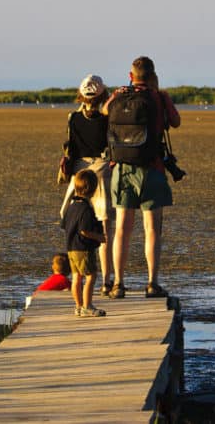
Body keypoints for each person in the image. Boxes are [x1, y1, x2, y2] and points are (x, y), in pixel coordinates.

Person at [103, 56, 181, 299]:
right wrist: (160, 94)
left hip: (122, 168)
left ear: (131, 75)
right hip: (152, 169)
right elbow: (175, 122)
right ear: (153, 75)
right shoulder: (159, 98)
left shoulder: (119, 95)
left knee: (121, 230)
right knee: (152, 230)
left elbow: (105, 111)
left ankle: (118, 284)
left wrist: (119, 94)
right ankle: (151, 283)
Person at [59, 74, 115, 295]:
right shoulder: (107, 119)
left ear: (81, 94)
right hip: (101, 170)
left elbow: (70, 148)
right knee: (103, 228)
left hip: (79, 173)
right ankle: (106, 280)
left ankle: (79, 279)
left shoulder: (73, 118)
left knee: (75, 222)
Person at [61, 170, 107, 317]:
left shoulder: (72, 206)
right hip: (83, 249)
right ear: (92, 190)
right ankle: (87, 306)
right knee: (91, 276)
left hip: (71, 248)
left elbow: (64, 225)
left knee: (76, 277)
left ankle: (78, 306)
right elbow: (84, 231)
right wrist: (99, 237)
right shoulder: (85, 209)